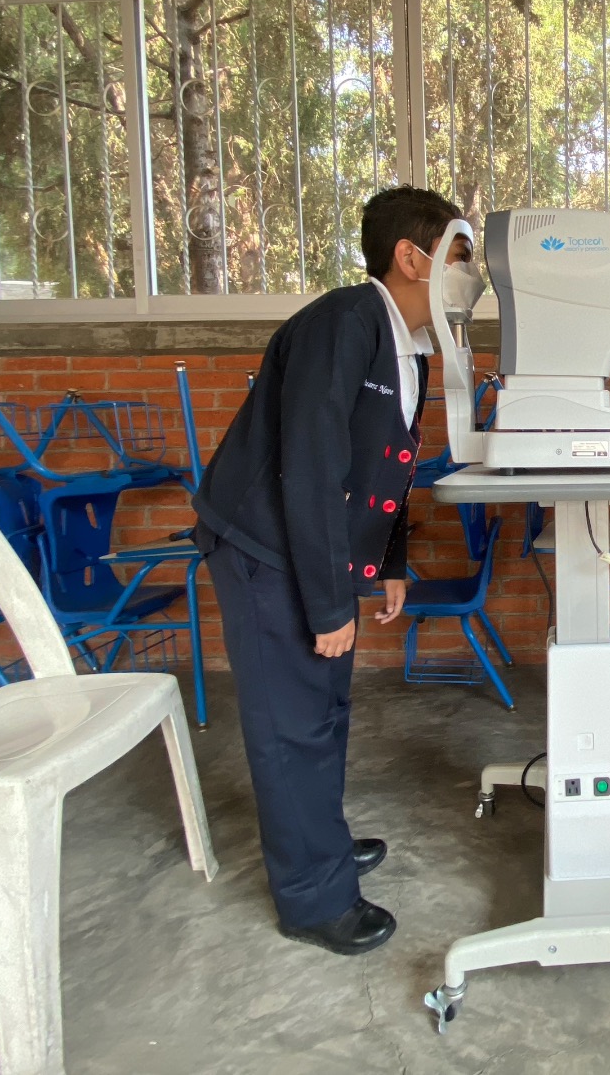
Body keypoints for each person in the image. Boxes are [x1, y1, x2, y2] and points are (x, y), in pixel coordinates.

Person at [192, 186, 469, 955]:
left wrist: (388, 563)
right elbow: (311, 464)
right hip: (260, 544)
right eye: (461, 258)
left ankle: (320, 839)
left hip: (307, 543)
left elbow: (387, 465)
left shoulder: (405, 344)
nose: (471, 279)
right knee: (291, 723)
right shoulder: (345, 321)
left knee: (324, 709)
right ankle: (313, 898)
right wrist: (325, 605)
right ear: (412, 258)